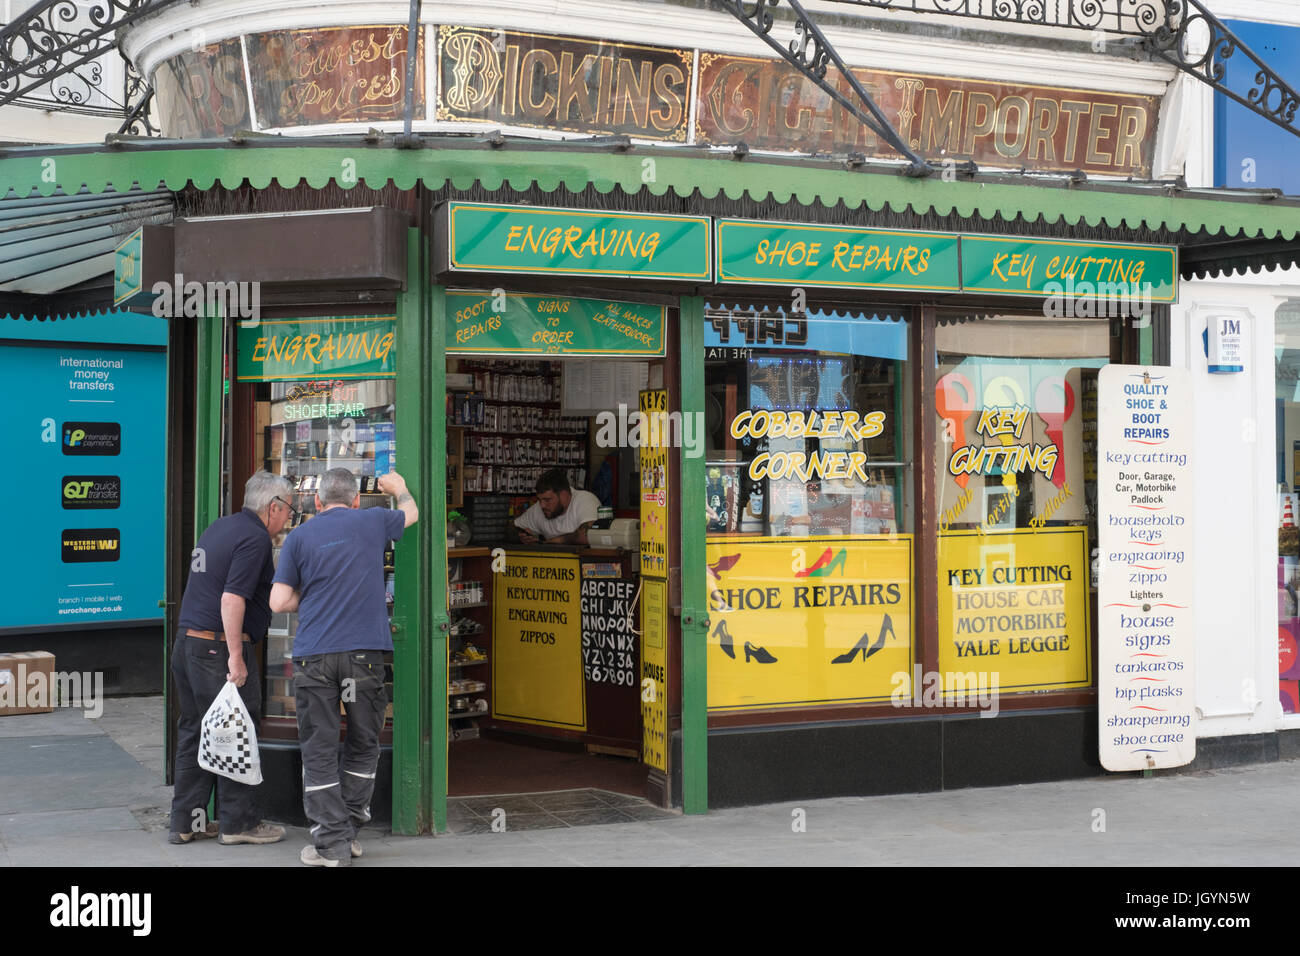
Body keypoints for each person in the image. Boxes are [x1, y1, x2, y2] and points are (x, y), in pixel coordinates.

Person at [269, 467, 418, 867]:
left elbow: (278, 602)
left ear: (317, 503)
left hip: (315, 655)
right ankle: (348, 832)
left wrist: (316, 593)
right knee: (363, 743)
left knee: (318, 750)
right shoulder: (373, 521)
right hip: (365, 655)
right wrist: (400, 488)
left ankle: (331, 844)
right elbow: (412, 513)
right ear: (355, 500)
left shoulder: (299, 536)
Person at [169, 470, 294, 847]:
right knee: (236, 730)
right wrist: (236, 657)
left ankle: (186, 821)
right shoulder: (255, 538)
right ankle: (239, 824)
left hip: (188, 644)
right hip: (217, 647)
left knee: (195, 730)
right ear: (273, 507)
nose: (290, 516)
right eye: (289, 508)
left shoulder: (219, 527)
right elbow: (231, 598)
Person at [515, 468, 600, 545]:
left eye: (547, 500)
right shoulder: (539, 508)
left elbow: (589, 535)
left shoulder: (585, 500)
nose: (542, 505)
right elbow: (513, 527)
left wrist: (557, 540)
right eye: (540, 500)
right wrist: (521, 536)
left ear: (564, 494)